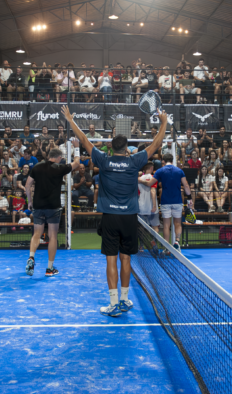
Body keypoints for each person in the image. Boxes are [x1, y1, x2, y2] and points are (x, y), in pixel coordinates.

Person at [63, 105, 168, 317]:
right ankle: (124, 300)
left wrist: (70, 120)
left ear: (110, 147)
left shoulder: (104, 160)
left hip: (110, 218)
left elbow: (84, 139)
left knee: (111, 258)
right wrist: (164, 122)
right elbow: (156, 144)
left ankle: (113, 304)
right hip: (130, 218)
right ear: (127, 148)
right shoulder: (134, 160)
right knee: (126, 258)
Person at [24, 138, 80, 277]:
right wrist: (77, 147)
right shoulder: (59, 168)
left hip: (38, 205)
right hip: (53, 207)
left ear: (49, 156)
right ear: (59, 157)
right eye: (61, 158)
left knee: (37, 233)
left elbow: (27, 186)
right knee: (53, 235)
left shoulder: (36, 167)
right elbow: (77, 163)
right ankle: (49, 268)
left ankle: (31, 257)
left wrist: (29, 202)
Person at [153, 153, 191, 248]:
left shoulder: (160, 171)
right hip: (177, 201)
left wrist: (140, 180)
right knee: (178, 223)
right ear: (173, 160)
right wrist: (190, 198)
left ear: (163, 161)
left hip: (165, 201)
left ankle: (167, 247)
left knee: (166, 225)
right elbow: (186, 186)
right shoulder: (179, 171)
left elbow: (151, 183)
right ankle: (177, 241)